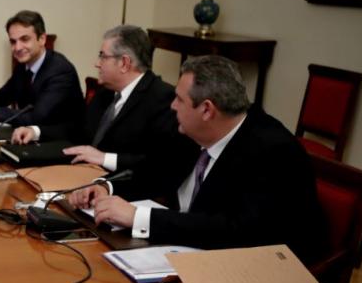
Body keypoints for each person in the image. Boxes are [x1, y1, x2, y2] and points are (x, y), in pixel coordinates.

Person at [67, 55, 326, 262]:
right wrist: (106, 187)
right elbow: (154, 170)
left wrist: (139, 218)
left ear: (206, 110)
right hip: (181, 252)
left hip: (256, 271)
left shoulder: (273, 151)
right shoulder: (194, 131)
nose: (172, 106)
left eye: (180, 99)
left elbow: (236, 230)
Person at [12, 25, 193, 173]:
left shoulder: (163, 99)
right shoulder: (106, 91)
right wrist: (36, 131)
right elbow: (79, 129)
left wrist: (104, 158)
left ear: (124, 63)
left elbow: (160, 163)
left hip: (122, 189)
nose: (97, 63)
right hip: (82, 174)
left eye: (103, 56)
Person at [0, 10, 85, 133]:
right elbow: (4, 94)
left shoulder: (60, 71)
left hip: (63, 141)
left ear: (42, 39)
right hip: (30, 137)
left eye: (25, 39)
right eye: (13, 42)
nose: (17, 47)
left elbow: (36, 117)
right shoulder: (23, 65)